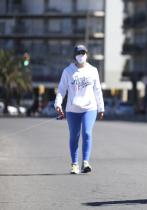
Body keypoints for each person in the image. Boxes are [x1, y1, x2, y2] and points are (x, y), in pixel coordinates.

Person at [54, 44, 104, 174]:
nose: (81, 55)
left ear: (87, 54)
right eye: (79, 53)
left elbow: (98, 90)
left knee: (87, 133)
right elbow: (61, 90)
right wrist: (58, 105)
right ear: (74, 56)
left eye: (83, 53)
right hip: (72, 109)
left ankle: (85, 162)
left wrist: (101, 108)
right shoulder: (68, 71)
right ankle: (74, 164)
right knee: (74, 136)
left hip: (90, 108)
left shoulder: (93, 70)